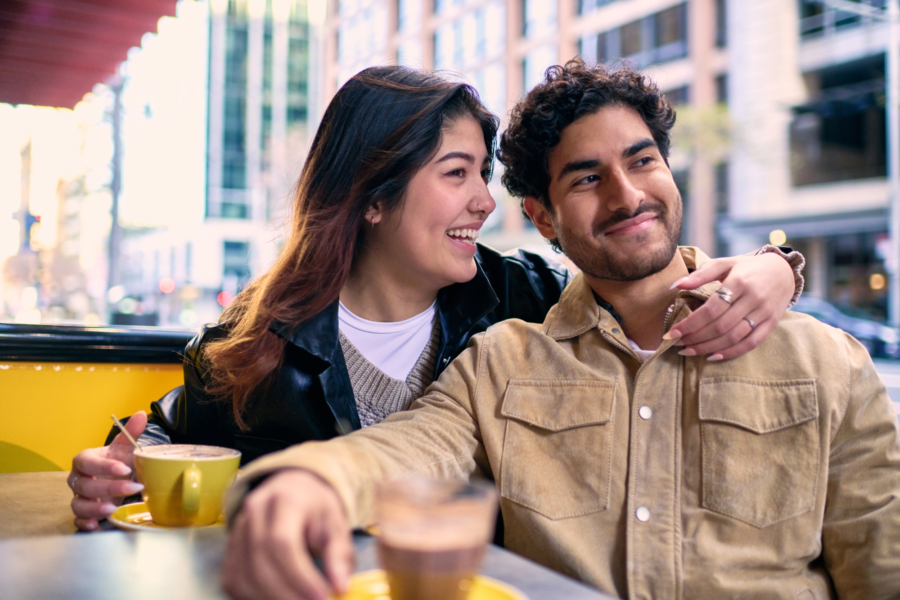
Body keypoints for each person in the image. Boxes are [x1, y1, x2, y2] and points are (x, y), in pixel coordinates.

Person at [219, 60, 900, 600]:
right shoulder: (502, 361)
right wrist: (307, 484)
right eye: (587, 179)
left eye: (642, 161)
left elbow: (882, 556)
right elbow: (402, 452)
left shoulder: (823, 358)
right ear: (544, 220)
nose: (627, 195)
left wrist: (778, 263)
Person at [68, 65, 802, 533]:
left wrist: (778, 266)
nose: (486, 201)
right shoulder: (257, 339)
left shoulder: (526, 297)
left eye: (483, 173)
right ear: (373, 199)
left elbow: (647, 283)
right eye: (457, 174)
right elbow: (164, 437)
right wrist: (115, 471)